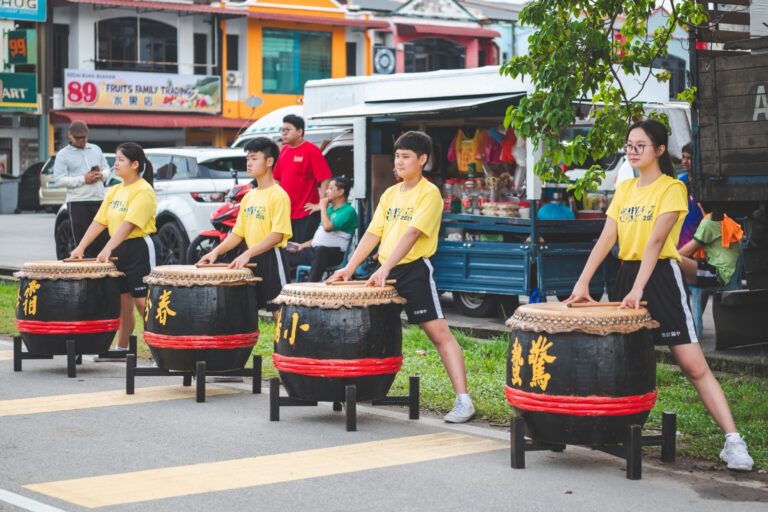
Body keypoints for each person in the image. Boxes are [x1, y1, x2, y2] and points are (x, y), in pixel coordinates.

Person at [564, 119, 753, 471]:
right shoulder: (624, 189)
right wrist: (582, 282)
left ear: (659, 150)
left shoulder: (672, 189)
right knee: (622, 362)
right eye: (629, 145)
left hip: (662, 278)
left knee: (693, 366)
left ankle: (733, 441)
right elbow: (607, 238)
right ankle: (611, 431)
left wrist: (640, 291)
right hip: (626, 275)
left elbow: (655, 242)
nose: (632, 151)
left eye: (640, 145)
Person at [327, 131, 475, 424]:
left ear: (423, 160)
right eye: (397, 156)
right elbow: (373, 233)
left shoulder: (429, 193)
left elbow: (411, 234)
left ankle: (464, 401)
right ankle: (370, 388)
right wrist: (349, 267)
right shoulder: (390, 194)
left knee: (438, 335)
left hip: (413, 270)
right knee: (372, 330)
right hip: (384, 270)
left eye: (406, 156)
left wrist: (386, 267)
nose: (399, 161)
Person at [69, 142, 157, 352]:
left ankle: (158, 352)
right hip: (118, 250)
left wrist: (107, 248)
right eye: (115, 159)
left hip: (138, 249)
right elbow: (99, 221)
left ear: (135, 164)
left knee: (143, 303)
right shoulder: (114, 190)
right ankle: (122, 348)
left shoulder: (143, 190)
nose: (115, 164)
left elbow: (128, 225)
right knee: (123, 304)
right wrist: (80, 247)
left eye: (120, 160)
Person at [198, 137, 292, 320]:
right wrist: (214, 252)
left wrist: (248, 254)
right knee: (245, 312)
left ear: (269, 161)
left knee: (279, 311)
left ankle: (284, 349)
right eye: (248, 158)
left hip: (272, 258)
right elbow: (237, 233)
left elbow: (277, 235)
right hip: (248, 256)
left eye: (254, 158)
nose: (249, 163)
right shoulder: (249, 197)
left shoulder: (279, 195)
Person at [54, 121, 110, 257]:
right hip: (78, 201)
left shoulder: (96, 149)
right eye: (77, 138)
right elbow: (58, 180)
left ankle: (104, 275)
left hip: (99, 199)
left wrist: (101, 175)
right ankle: (86, 276)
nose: (81, 141)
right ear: (70, 136)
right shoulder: (62, 155)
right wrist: (82, 179)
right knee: (83, 243)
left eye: (84, 137)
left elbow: (107, 168)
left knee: (104, 240)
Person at [286, 176, 358, 282]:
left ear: (340, 192)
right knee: (284, 253)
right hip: (315, 252)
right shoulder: (329, 210)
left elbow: (327, 228)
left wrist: (322, 207)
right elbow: (320, 236)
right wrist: (301, 246)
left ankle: (311, 288)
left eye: (330, 188)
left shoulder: (348, 211)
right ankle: (284, 288)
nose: (326, 192)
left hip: (335, 254)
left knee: (321, 251)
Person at [273, 114, 332, 244]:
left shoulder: (311, 150)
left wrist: (321, 204)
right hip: (286, 213)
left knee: (301, 252)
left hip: (305, 214)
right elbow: (276, 179)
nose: (284, 133)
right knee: (286, 249)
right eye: (282, 130)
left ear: (300, 131)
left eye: (287, 130)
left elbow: (325, 178)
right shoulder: (284, 151)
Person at [677, 142, 704, 248]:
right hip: (684, 235)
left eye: (689, 158)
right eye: (683, 157)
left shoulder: (703, 182)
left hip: (700, 235)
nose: (684, 161)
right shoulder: (681, 181)